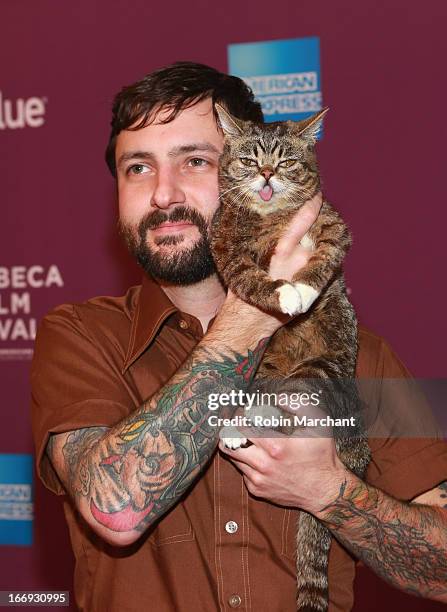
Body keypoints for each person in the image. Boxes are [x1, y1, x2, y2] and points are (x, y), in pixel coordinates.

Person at [31, 62, 447, 611]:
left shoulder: (361, 355)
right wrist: (258, 309)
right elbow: (118, 509)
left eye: (195, 161)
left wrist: (330, 492)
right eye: (137, 168)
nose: (163, 194)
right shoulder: (81, 335)